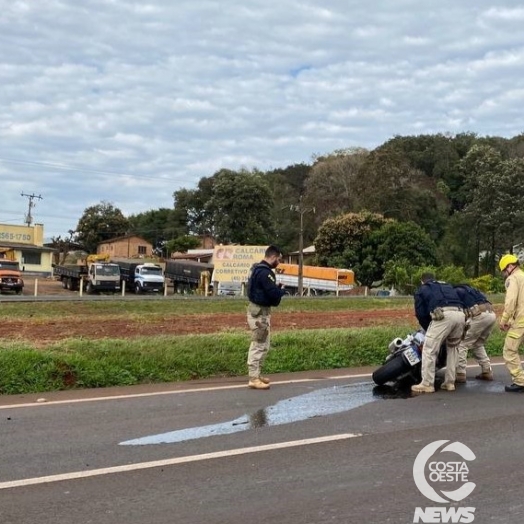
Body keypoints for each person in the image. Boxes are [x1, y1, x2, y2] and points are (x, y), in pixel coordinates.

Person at [412, 272, 466, 394]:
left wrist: (428, 328)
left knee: (429, 349)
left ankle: (427, 384)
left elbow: (420, 313)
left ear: (422, 281)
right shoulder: (446, 285)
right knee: (453, 348)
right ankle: (450, 383)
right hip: (460, 314)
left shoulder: (423, 288)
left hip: (443, 315)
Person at [245, 245, 286, 390]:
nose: (278, 263)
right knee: (258, 345)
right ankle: (253, 378)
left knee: (264, 345)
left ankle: (257, 374)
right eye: (278, 259)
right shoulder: (265, 273)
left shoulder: (255, 269)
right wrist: (280, 291)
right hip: (260, 314)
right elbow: (273, 295)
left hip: (257, 311)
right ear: (273, 257)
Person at [453, 284, 496, 383]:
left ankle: (460, 373)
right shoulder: (470, 290)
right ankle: (486, 371)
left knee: (462, 343)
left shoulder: (456, 292)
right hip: (491, 314)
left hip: (479, 316)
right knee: (477, 343)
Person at [498, 254, 524, 393]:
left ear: (509, 266)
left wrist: (504, 320)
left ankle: (520, 382)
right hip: (520, 320)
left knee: (509, 350)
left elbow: (511, 302)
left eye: (504, 270)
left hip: (521, 322)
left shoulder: (512, 279)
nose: (504, 273)